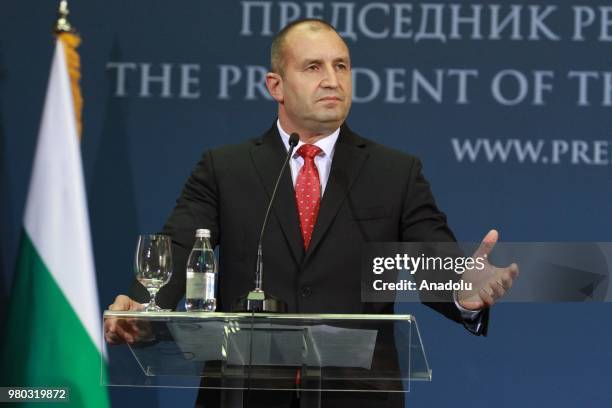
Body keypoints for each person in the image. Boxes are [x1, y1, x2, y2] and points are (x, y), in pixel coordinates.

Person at [106, 19, 518, 407]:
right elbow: (180, 245)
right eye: (313, 67)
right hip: (245, 393)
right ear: (276, 85)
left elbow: (432, 257)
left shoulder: (394, 172)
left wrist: (462, 292)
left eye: (341, 66)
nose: (332, 80)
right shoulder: (224, 168)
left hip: (356, 396)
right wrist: (143, 306)